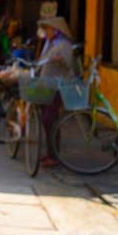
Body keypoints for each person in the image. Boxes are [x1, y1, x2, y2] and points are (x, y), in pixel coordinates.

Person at [37, 16, 75, 167]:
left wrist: (59, 59)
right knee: (48, 120)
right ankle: (51, 152)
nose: (46, 31)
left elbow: (68, 63)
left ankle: (54, 154)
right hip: (46, 86)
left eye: (48, 29)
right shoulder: (49, 43)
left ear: (56, 30)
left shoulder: (64, 44)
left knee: (49, 119)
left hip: (58, 87)